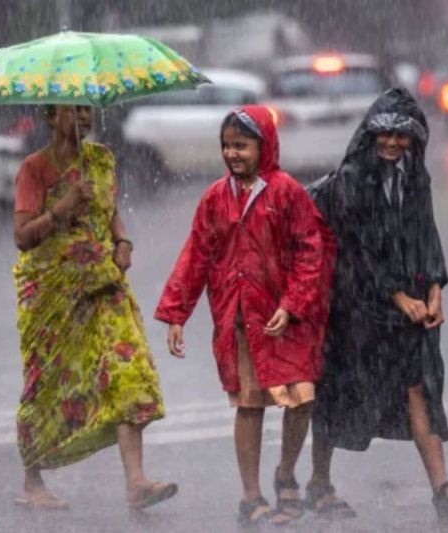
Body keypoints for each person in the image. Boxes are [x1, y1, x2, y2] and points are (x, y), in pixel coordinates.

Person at [155, 105, 335, 527]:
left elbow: (311, 252)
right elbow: (195, 256)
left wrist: (292, 305)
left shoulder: (287, 192)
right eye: (227, 145)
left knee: (301, 399)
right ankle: (251, 496)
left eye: (242, 145)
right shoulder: (216, 198)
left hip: (288, 321)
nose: (233, 153)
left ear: (264, 145)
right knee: (250, 405)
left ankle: (286, 472)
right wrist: (177, 313)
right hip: (242, 321)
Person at [307, 87, 448, 520]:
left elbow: (425, 233)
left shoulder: (415, 176)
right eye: (385, 134)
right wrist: (397, 296)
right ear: (370, 133)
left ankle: (442, 488)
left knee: (419, 388)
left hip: (408, 303)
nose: (392, 143)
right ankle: (318, 482)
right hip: (356, 308)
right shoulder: (351, 180)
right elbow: (356, 249)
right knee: (338, 390)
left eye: (402, 137)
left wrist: (434, 287)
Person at [12, 104, 176, 510]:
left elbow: (111, 213)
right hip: (54, 293)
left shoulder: (101, 159)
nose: (84, 118)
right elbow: (22, 236)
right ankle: (32, 482)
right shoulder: (35, 169)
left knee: (127, 368)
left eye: (88, 110)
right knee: (48, 383)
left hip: (103, 283)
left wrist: (123, 242)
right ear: (52, 116)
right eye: (75, 110)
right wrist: (63, 206)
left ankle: (136, 481)